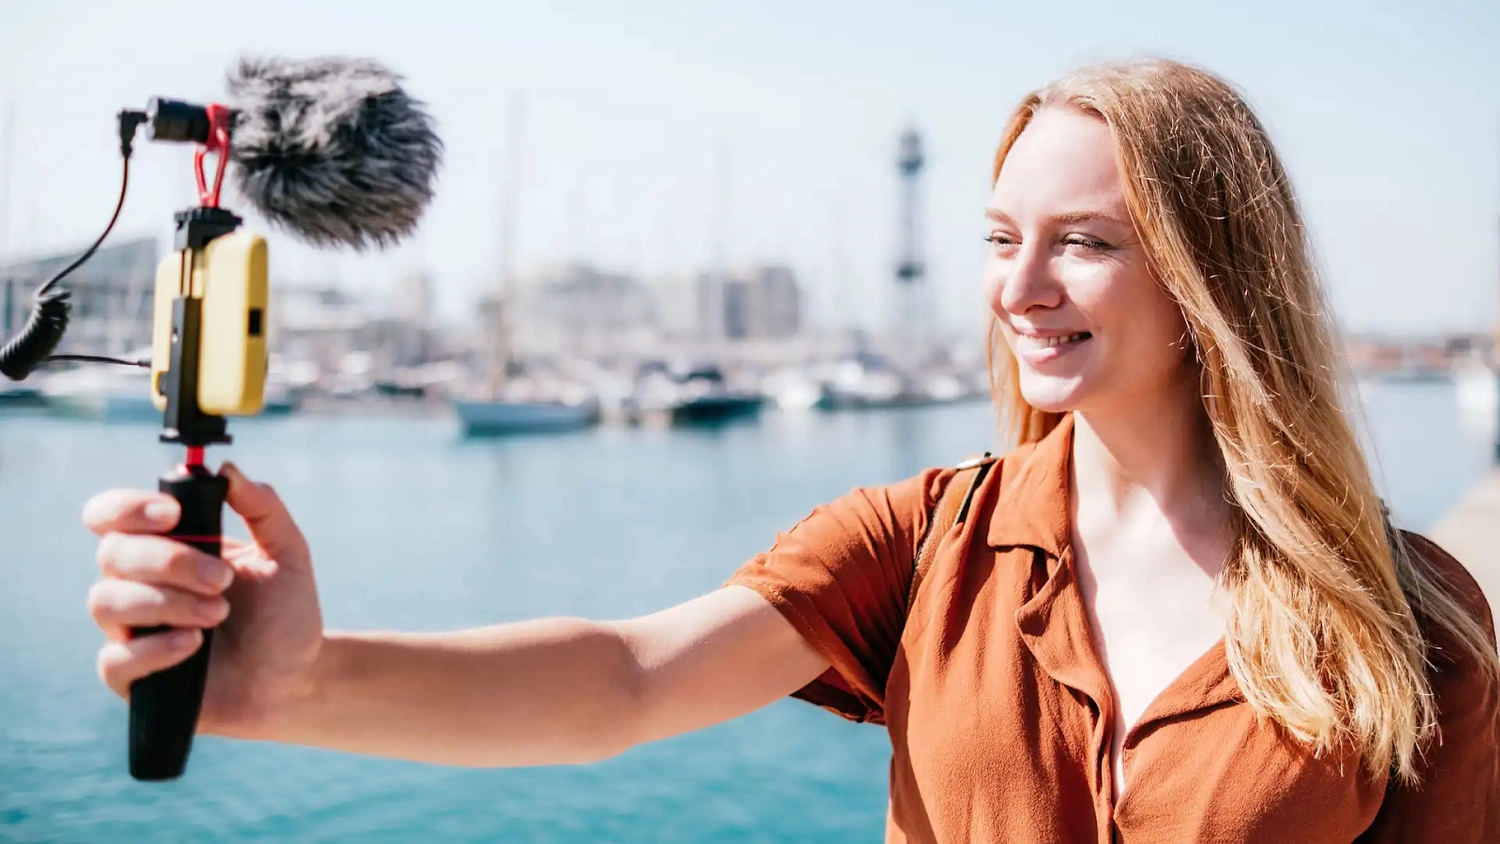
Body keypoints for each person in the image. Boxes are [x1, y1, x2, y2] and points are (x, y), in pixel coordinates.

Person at [82, 57, 1498, 842]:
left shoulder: (1412, 623)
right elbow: (625, 681)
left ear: (1209, 281)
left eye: (1082, 244)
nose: (1017, 290)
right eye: (1001, 242)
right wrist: (301, 687)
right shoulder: (926, 544)